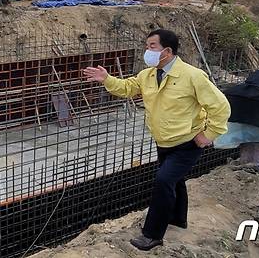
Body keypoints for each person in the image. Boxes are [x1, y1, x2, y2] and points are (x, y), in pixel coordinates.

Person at [83, 29, 230, 251]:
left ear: (167, 51)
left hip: (188, 142)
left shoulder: (192, 76)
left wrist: (208, 135)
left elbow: (221, 107)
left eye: (152, 46)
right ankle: (178, 219)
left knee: (163, 181)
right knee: (174, 180)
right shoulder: (148, 75)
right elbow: (127, 88)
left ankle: (152, 235)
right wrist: (107, 79)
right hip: (163, 141)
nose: (147, 51)